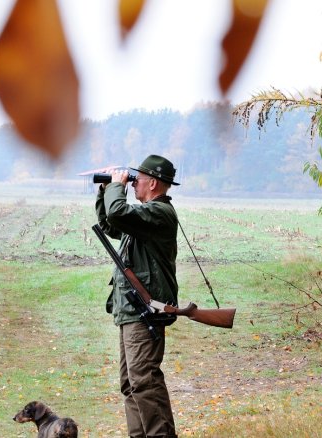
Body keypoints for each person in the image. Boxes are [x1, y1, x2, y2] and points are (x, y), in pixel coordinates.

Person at [95, 154, 180, 438]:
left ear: (153, 183)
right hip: (131, 311)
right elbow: (111, 223)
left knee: (145, 381)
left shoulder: (159, 214)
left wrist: (116, 187)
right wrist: (106, 190)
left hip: (145, 311)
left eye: (137, 180)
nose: (133, 184)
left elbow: (119, 213)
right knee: (131, 384)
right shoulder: (146, 216)